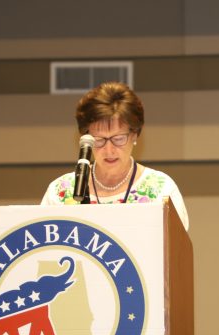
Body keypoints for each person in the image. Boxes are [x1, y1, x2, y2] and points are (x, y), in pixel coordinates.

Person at [41, 81, 189, 230]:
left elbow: (177, 243)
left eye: (118, 139)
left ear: (135, 135)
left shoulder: (161, 189)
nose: (109, 150)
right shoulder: (61, 191)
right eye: (99, 140)